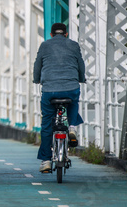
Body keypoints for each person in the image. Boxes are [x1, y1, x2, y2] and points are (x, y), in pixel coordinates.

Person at [33, 22, 86, 172]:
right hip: (71, 88)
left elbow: (37, 65)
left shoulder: (44, 45)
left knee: (47, 123)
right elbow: (81, 65)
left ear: (51, 35)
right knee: (73, 101)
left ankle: (46, 161)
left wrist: (36, 79)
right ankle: (72, 127)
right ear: (66, 34)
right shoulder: (74, 45)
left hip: (50, 91)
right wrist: (81, 78)